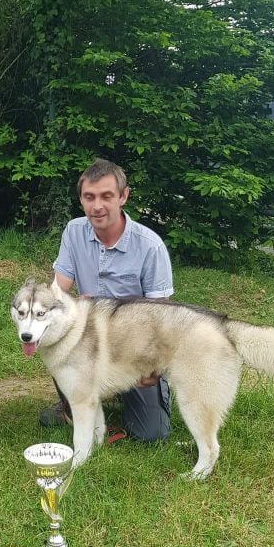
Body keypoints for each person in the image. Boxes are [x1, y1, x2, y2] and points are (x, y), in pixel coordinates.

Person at [40, 157, 174, 443]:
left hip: (135, 350)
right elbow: (57, 294)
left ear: (123, 196)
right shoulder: (74, 232)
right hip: (92, 344)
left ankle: (125, 396)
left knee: (151, 435)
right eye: (89, 197)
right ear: (81, 200)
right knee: (56, 329)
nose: (97, 206)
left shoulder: (151, 247)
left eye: (106, 196)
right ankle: (75, 399)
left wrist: (155, 365)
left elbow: (164, 322)